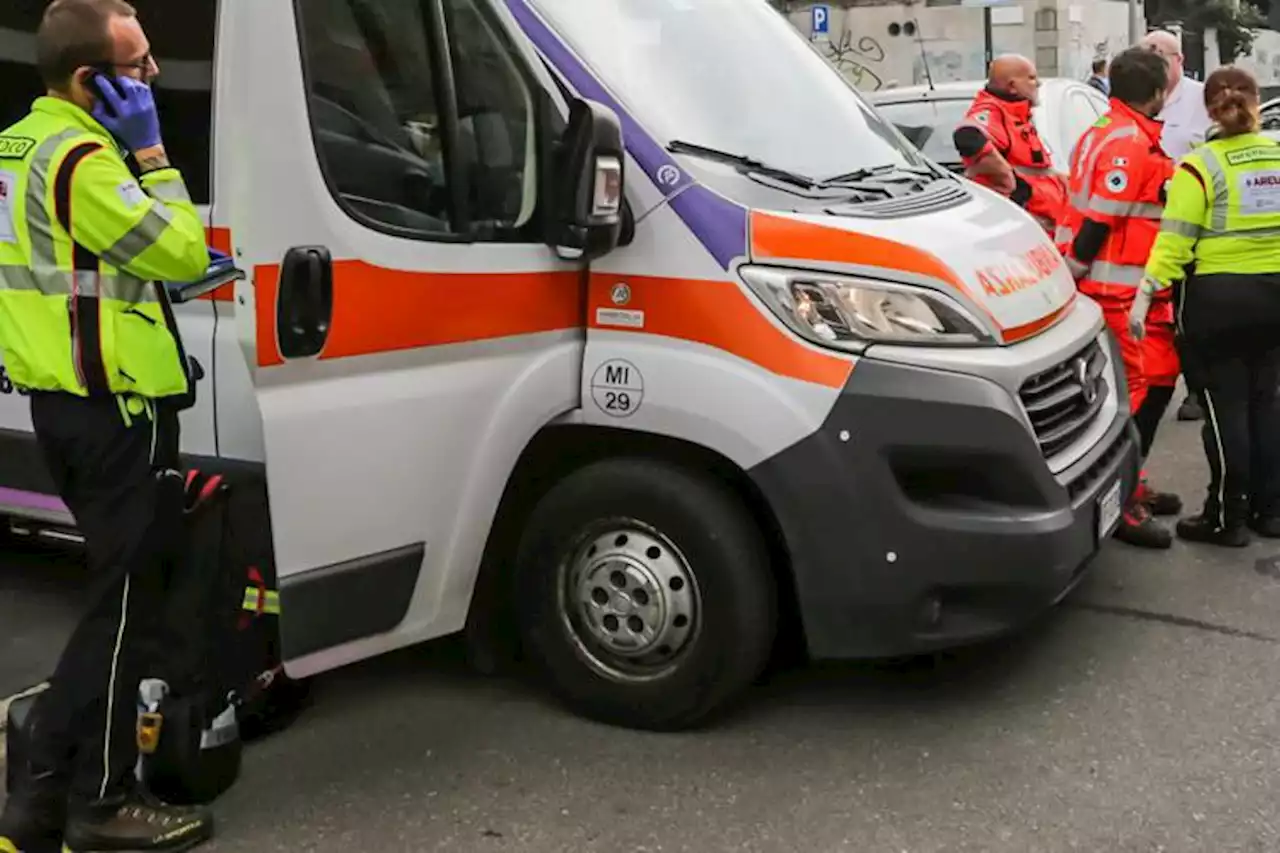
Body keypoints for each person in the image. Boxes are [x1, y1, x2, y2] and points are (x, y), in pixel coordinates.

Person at [0, 1, 216, 852]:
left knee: (119, 599)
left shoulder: (19, 141)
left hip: (61, 402)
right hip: (114, 409)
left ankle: (55, 782)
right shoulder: (90, 159)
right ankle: (81, 796)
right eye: (140, 63)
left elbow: (74, 268)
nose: (155, 76)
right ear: (92, 80)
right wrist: (156, 157)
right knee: (121, 609)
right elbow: (183, 254)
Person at [1134, 65, 1280, 547]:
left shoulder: (1199, 166)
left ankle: (1225, 518)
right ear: (1256, 102)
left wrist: (1142, 297)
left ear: (1208, 107)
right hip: (1275, 296)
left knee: (1225, 409)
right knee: (1268, 403)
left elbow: (1174, 243)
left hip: (1219, 302)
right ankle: (1270, 510)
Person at [1057, 46, 1181, 549]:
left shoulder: (1106, 131)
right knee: (1134, 396)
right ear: (1156, 93)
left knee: (1158, 383)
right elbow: (1102, 217)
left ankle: (1133, 479)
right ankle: (1122, 502)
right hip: (1117, 292)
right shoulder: (1130, 141)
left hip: (1129, 290)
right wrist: (1075, 273)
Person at [1139, 28, 1214, 423]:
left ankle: (1197, 390)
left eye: (1160, 52)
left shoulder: (1201, 99)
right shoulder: (1137, 101)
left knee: (1189, 314)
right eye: (1146, 50)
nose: (1152, 57)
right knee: (1158, 316)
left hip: (1192, 225)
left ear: (1179, 60)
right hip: (1145, 229)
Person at [953, 54, 1068, 234]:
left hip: (1044, 228)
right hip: (1024, 229)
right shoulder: (992, 110)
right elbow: (968, 135)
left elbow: (1033, 168)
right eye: (1031, 78)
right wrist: (1015, 187)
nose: (1038, 83)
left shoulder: (1016, 113)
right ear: (1012, 86)